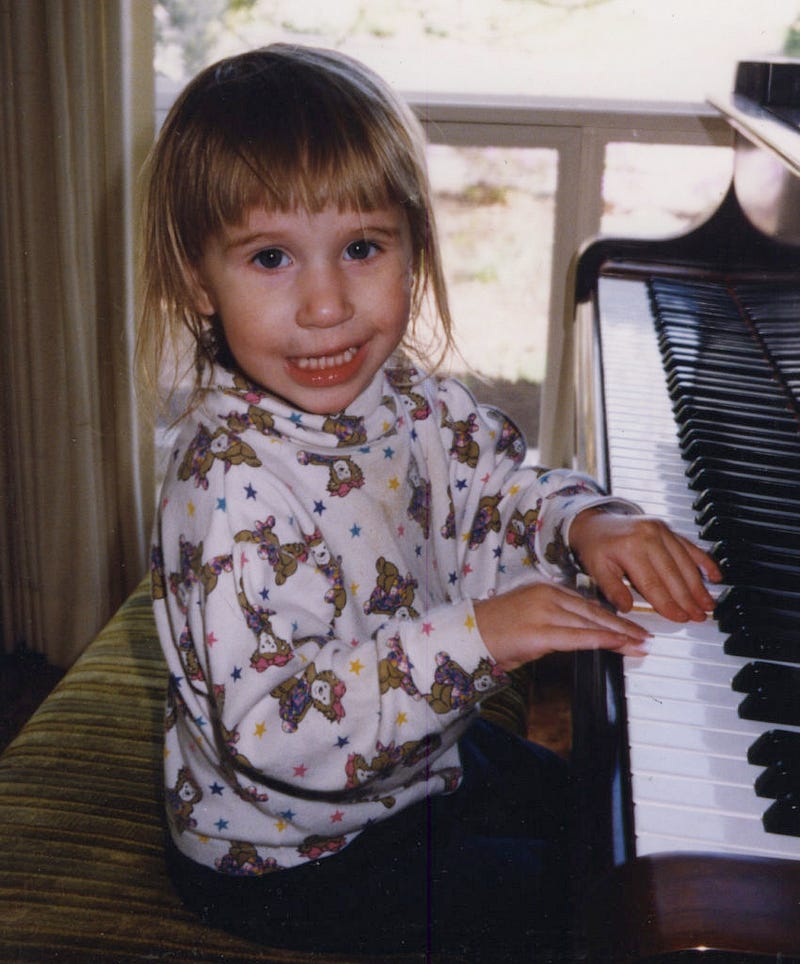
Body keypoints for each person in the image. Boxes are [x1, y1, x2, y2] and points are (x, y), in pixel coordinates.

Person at [138, 43, 722, 960]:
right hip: (291, 852)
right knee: (569, 913)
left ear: (414, 245)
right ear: (196, 280)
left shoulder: (406, 400)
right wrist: (484, 634)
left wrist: (583, 519)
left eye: (362, 248)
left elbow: (497, 491)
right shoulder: (227, 491)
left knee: (615, 833)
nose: (327, 304)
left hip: (419, 761)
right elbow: (275, 732)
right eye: (271, 257)